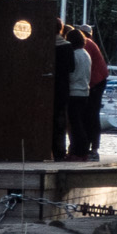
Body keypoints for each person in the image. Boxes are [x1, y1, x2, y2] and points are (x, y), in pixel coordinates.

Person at [78, 26, 109, 160]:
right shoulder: (91, 44)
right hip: (97, 81)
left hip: (95, 82)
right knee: (90, 115)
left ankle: (92, 149)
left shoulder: (86, 45)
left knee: (91, 115)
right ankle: (90, 147)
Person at [66, 27, 94, 159]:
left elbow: (72, 74)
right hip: (85, 92)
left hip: (74, 92)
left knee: (75, 124)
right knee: (80, 122)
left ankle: (80, 151)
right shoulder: (86, 54)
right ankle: (82, 150)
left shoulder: (74, 55)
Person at [51, 25, 77, 161]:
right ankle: (59, 152)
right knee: (60, 120)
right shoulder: (67, 46)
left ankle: (43, 150)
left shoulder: (45, 44)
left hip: (47, 86)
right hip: (62, 86)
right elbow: (71, 67)